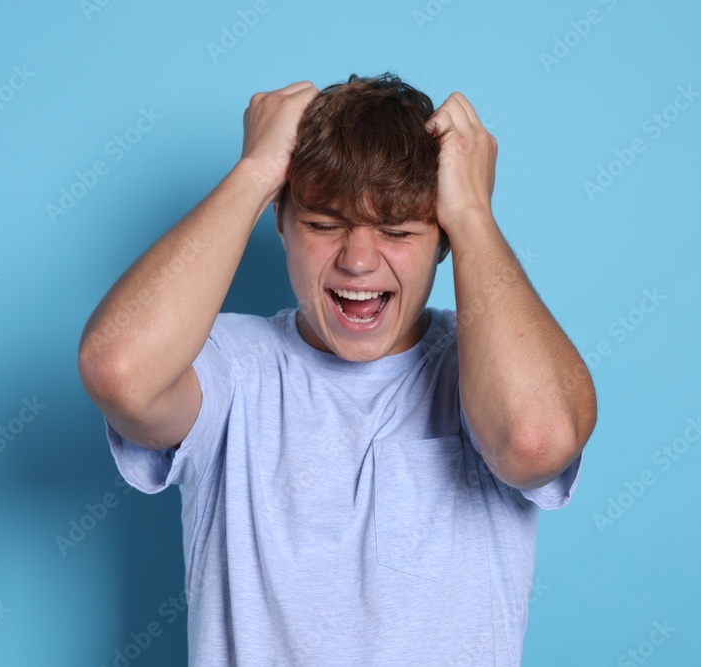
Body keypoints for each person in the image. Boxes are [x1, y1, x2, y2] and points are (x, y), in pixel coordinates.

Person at [78, 72, 597, 666]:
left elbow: (535, 441)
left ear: (442, 240)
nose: (356, 260)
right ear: (281, 221)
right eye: (324, 225)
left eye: (398, 231)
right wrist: (255, 172)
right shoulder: (230, 365)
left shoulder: (487, 370)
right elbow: (117, 370)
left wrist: (473, 213)